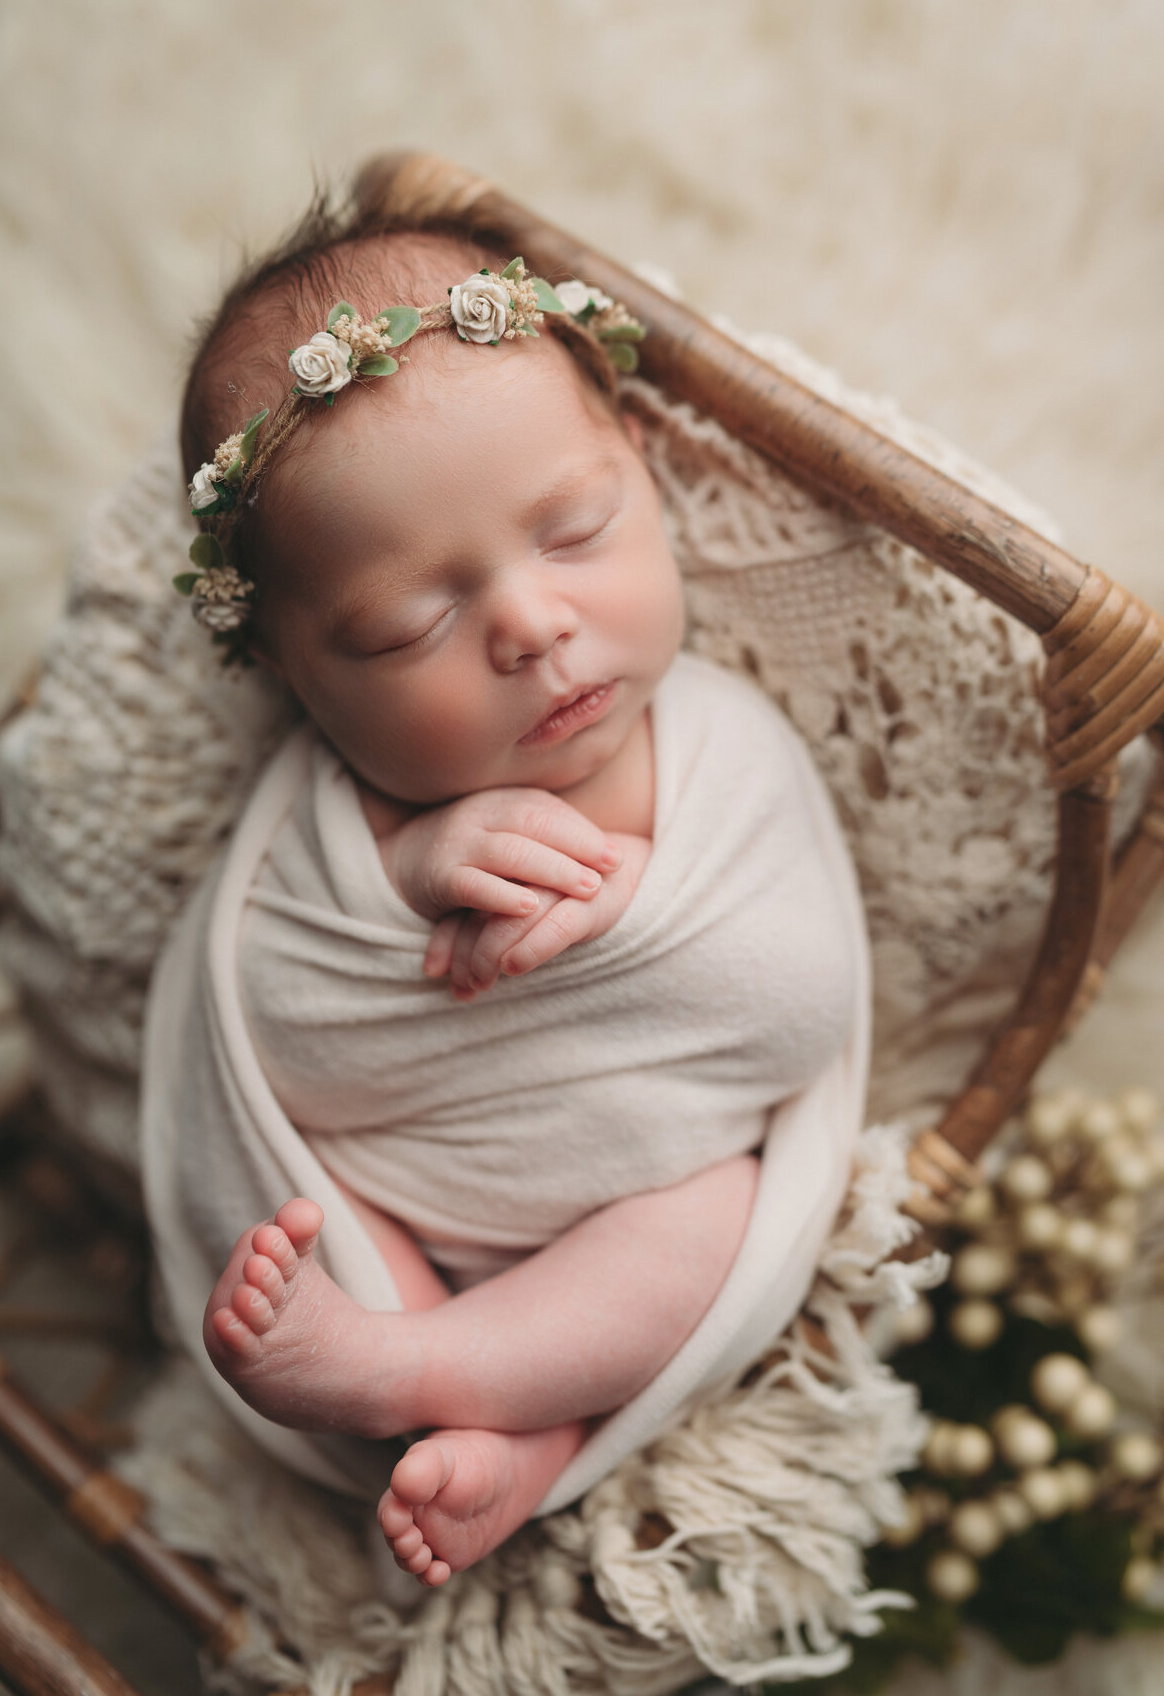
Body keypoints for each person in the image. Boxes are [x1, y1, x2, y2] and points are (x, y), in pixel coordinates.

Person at [143, 198, 867, 1592]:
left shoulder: (720, 752)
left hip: (628, 1203)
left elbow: (795, 999)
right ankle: (444, 1385)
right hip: (386, 1196)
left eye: (576, 530)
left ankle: (453, 1388)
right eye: (411, 624)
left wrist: (646, 898)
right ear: (297, 673)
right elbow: (275, 1010)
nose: (530, 625)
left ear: (641, 468)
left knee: (710, 1215)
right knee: (299, 1232)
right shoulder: (338, 810)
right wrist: (403, 873)